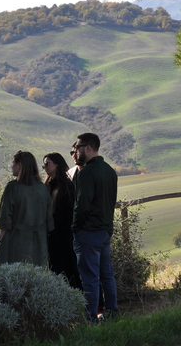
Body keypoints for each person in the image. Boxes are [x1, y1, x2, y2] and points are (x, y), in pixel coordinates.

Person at [71, 132, 119, 322]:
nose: (76, 151)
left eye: (78, 148)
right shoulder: (109, 170)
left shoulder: (87, 172)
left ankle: (90, 318)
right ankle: (112, 313)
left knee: (89, 278)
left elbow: (82, 204)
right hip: (105, 231)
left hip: (89, 232)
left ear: (88, 148)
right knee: (107, 275)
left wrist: (75, 226)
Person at [0, 151, 54, 266]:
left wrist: (2, 242)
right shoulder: (42, 188)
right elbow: (49, 219)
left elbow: (5, 218)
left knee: (14, 276)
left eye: (13, 163)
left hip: (16, 240)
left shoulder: (12, 187)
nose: (11, 166)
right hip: (40, 241)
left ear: (20, 165)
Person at [42, 152, 81, 289]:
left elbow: (70, 212)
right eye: (43, 164)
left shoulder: (66, 186)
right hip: (52, 236)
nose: (44, 167)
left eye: (47, 163)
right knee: (55, 270)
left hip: (65, 237)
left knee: (69, 269)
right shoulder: (47, 186)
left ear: (57, 164)